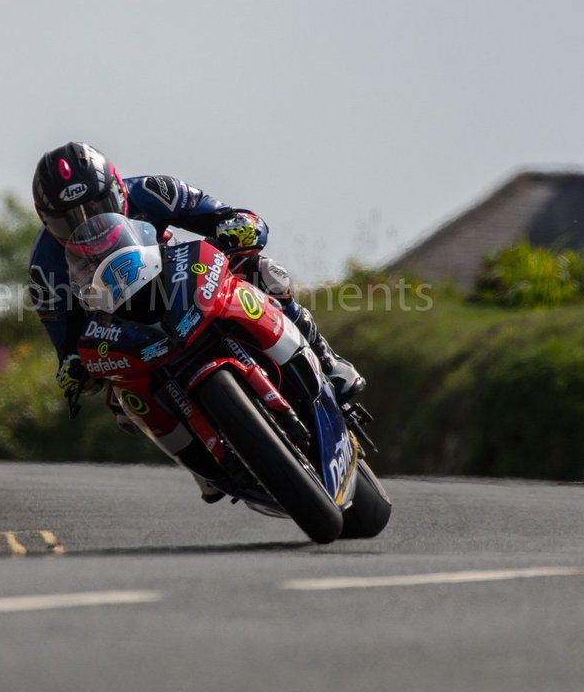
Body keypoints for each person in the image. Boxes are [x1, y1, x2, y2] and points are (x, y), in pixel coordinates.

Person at [28, 141, 363, 499]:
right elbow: (65, 341)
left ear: (117, 190)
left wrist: (240, 228)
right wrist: (74, 369)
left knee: (263, 272)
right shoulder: (44, 266)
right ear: (47, 222)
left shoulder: (154, 191)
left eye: (96, 206)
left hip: (176, 279)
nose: (87, 223)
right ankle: (198, 463)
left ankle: (327, 361)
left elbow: (232, 216)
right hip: (117, 318)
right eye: (70, 220)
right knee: (121, 399)